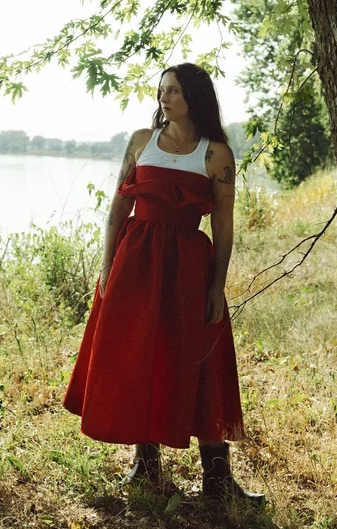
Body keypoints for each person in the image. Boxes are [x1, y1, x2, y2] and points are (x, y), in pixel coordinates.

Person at [63, 62, 263, 504]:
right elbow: (117, 210)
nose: (163, 98)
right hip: (136, 263)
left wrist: (217, 286)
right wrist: (106, 265)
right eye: (161, 91)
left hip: (189, 267)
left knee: (198, 358)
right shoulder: (140, 141)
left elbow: (224, 227)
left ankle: (217, 478)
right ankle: (145, 466)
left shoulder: (216, 154)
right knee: (140, 354)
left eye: (172, 91)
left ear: (194, 97)